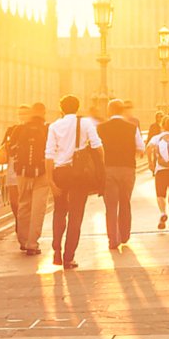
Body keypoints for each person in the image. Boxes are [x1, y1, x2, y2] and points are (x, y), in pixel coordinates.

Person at [45, 95, 103, 270]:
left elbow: (48, 155)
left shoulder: (54, 126)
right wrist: (100, 169)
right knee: (76, 216)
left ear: (61, 109)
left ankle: (56, 250)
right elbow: (97, 147)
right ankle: (69, 257)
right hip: (80, 174)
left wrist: (50, 182)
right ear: (78, 108)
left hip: (60, 173)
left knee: (59, 212)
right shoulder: (85, 123)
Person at [0, 104, 49, 256]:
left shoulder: (18, 130)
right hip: (42, 172)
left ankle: (23, 241)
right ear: (44, 114)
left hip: (22, 173)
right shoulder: (47, 129)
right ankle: (33, 244)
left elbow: (10, 149)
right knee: (38, 209)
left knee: (24, 205)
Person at [100, 99, 142, 250]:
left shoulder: (101, 128)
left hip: (108, 170)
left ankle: (113, 239)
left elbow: (96, 148)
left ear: (109, 110)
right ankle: (124, 235)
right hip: (127, 169)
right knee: (125, 202)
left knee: (110, 206)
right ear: (122, 111)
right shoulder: (132, 127)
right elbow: (140, 147)